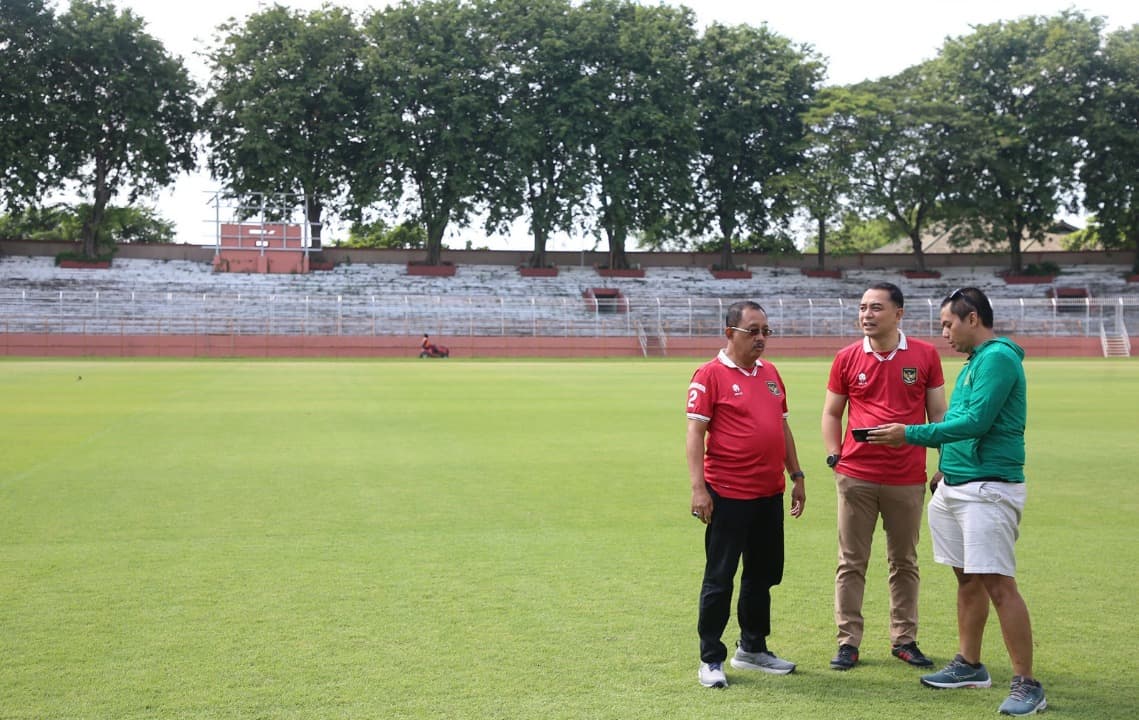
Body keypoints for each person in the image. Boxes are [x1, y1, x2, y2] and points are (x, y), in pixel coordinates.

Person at [870, 287, 1045, 717]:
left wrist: (908, 434)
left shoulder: (999, 359)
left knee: (999, 584)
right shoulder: (973, 364)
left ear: (972, 319)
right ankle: (969, 664)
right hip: (957, 486)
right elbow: (955, 422)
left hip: (989, 489)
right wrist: (945, 467)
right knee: (967, 580)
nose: (944, 332)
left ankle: (1028, 683)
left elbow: (976, 422)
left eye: (948, 323)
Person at [821, 282, 946, 671]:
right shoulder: (846, 358)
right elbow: (831, 413)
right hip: (856, 475)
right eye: (862, 307)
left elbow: (939, 417)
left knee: (904, 561)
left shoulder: (925, 355)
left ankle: (904, 639)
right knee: (851, 562)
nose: (866, 315)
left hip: (907, 477)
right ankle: (848, 642)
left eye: (875, 307)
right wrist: (834, 454)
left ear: (898, 313)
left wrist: (944, 463)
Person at [686, 300, 806, 689]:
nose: (761, 339)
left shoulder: (771, 373)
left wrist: (796, 473)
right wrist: (698, 488)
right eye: (752, 331)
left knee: (763, 574)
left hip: (768, 492)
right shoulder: (710, 375)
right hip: (729, 494)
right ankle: (711, 658)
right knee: (720, 577)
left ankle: (752, 648)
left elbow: (781, 427)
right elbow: (694, 435)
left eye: (766, 332)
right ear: (730, 333)